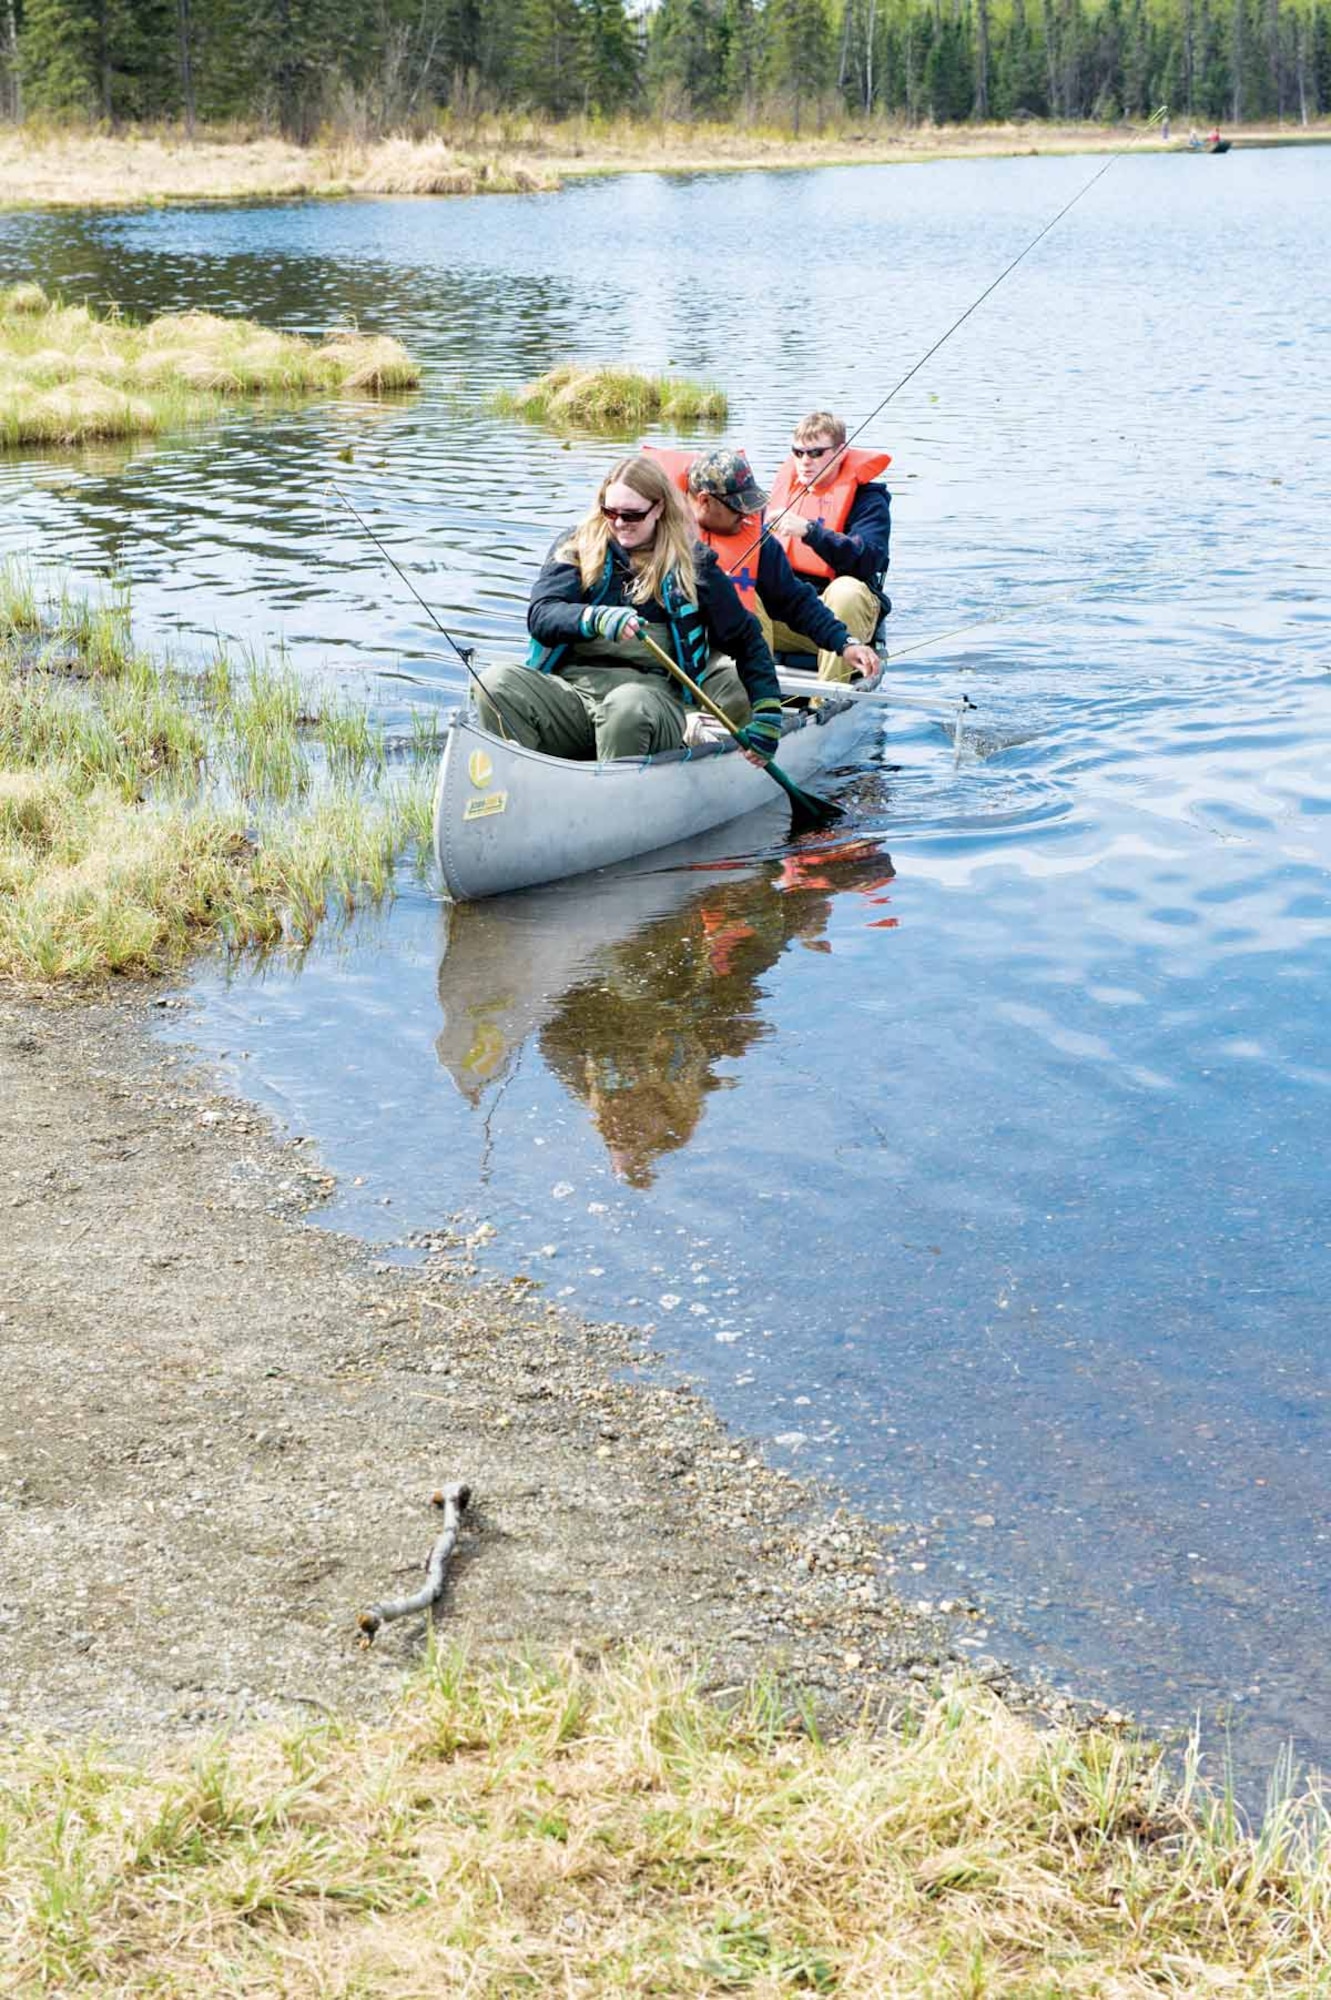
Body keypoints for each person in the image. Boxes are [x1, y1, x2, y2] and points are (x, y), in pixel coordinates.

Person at [477, 455, 784, 766]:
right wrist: (592, 618)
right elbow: (542, 615)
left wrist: (768, 713)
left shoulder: (694, 564)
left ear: (659, 508)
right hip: (572, 693)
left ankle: (611, 801)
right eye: (610, 512)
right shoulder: (575, 548)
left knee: (626, 707)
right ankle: (520, 783)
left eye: (632, 515)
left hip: (651, 699)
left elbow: (746, 640)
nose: (619, 523)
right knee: (494, 682)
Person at [644, 445, 880, 686]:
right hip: (658, 659)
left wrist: (844, 643)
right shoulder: (648, 530)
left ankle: (763, 700)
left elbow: (794, 601)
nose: (747, 515)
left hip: (722, 665)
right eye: (738, 507)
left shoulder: (757, 541)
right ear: (704, 501)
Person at [766, 410, 893, 679]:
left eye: (815, 453)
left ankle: (826, 701)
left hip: (845, 618)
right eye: (798, 453)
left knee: (845, 591)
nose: (805, 462)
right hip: (795, 614)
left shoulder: (869, 502)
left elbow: (868, 559)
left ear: (840, 452)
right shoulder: (780, 496)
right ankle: (747, 699)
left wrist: (811, 532)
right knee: (737, 592)